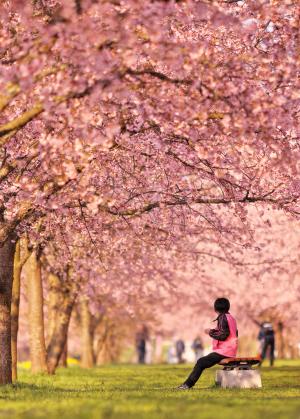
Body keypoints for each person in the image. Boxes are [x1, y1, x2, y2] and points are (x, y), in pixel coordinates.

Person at [177, 297, 238, 390]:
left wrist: (210, 332)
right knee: (203, 361)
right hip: (231, 350)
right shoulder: (231, 318)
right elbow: (230, 332)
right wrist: (212, 330)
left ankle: (187, 385)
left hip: (224, 351)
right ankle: (187, 384)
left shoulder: (222, 317)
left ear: (215, 308)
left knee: (201, 362)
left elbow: (223, 335)